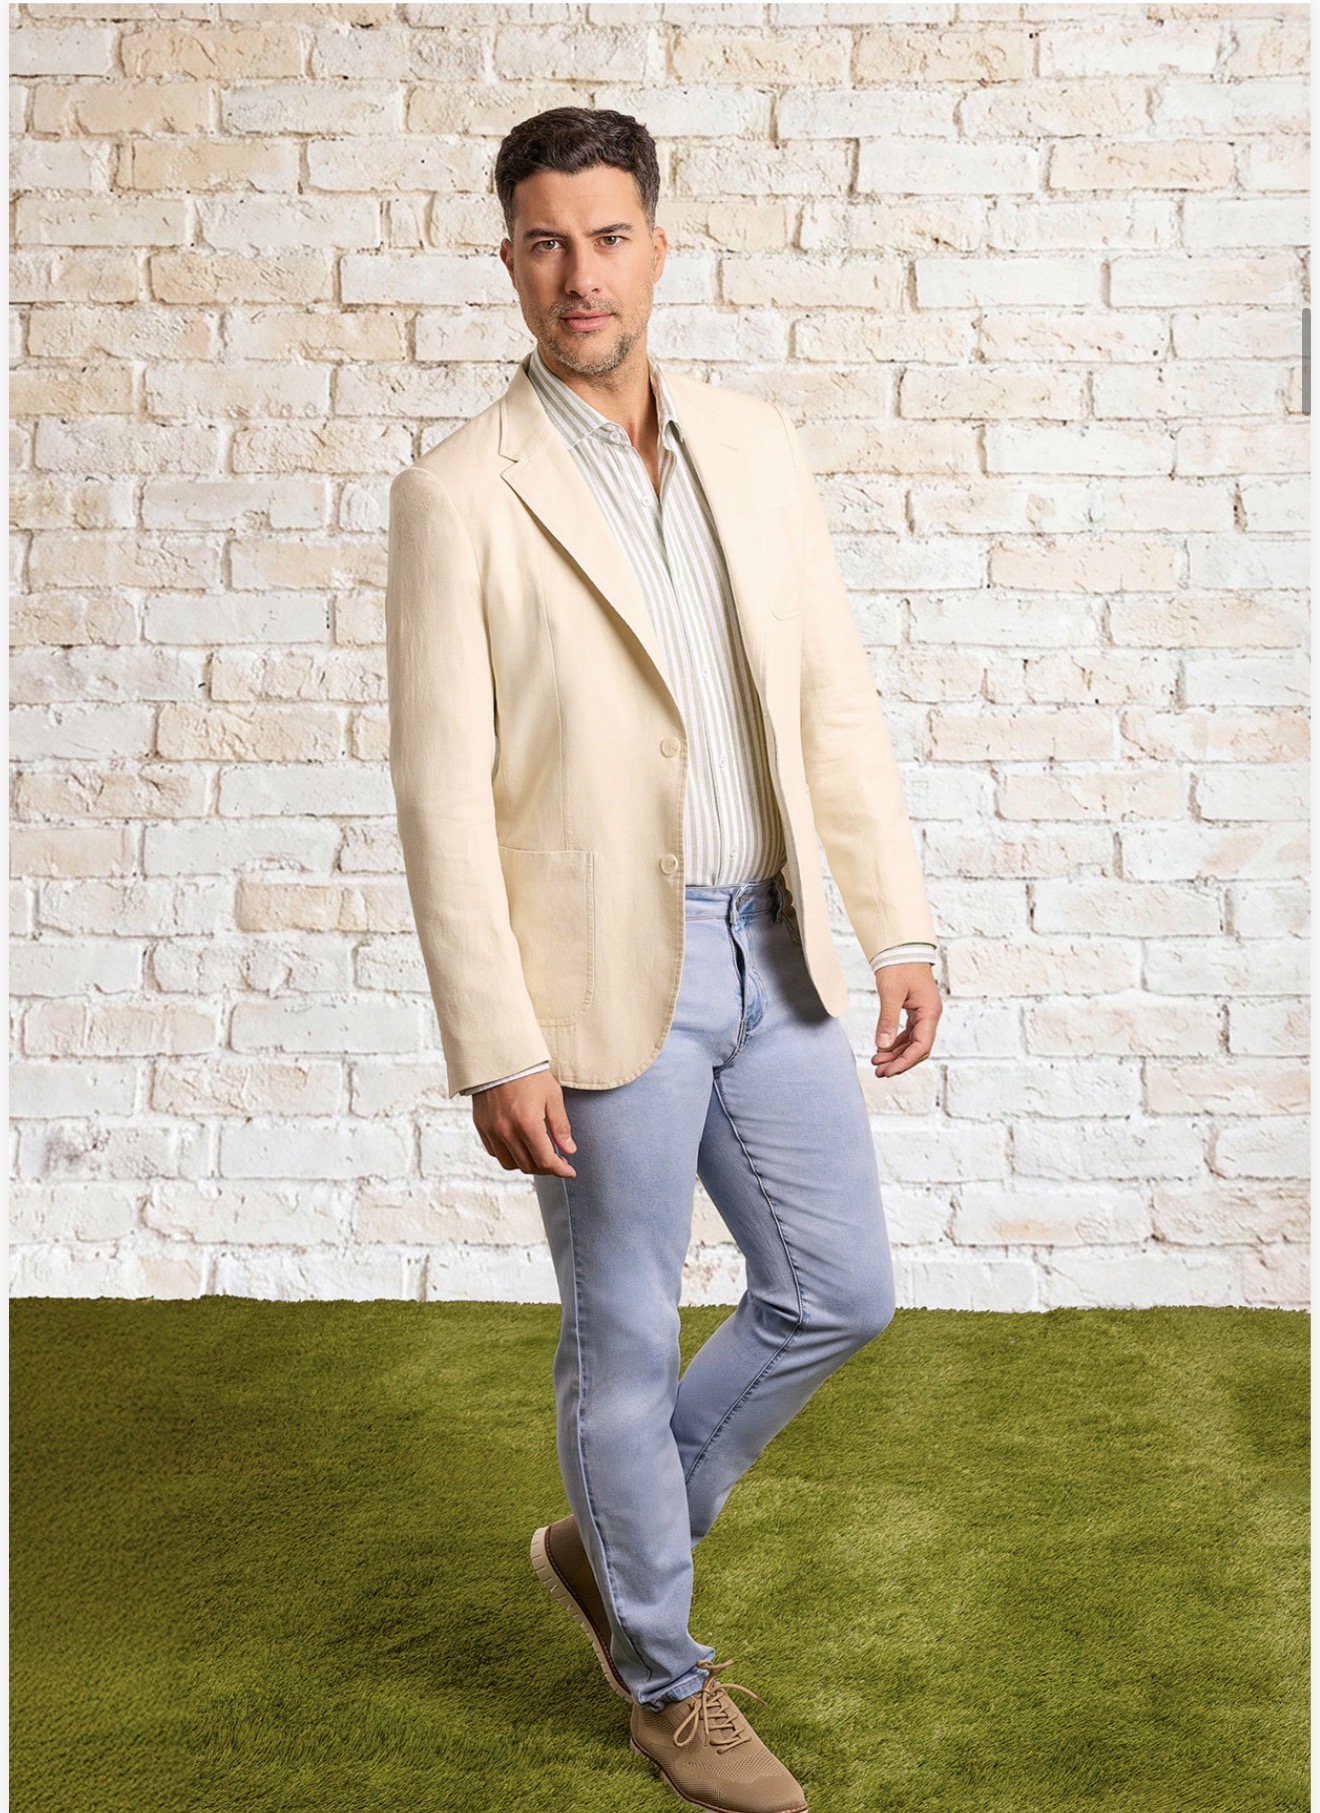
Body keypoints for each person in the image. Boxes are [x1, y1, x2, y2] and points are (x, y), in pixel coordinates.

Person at [384, 105, 942, 1813]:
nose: (582, 273)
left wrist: (898, 921)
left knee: (838, 1288)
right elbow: (440, 790)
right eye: (547, 241)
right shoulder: (457, 495)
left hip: (776, 945)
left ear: (657, 246)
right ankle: (667, 1680)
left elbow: (831, 699)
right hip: (591, 979)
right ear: (510, 259)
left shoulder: (757, 447)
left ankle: (608, 1541)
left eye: (609, 235)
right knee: (621, 1331)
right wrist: (496, 1036)